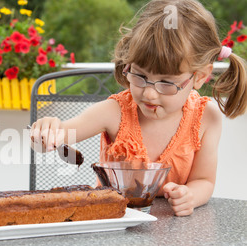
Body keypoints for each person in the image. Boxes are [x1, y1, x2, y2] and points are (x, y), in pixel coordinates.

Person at [29, 0, 247, 216]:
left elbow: (204, 181)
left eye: (166, 82)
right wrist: (47, 132)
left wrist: (189, 195)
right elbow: (60, 135)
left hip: (173, 237)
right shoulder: (114, 112)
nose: (150, 93)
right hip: (113, 226)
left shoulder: (206, 118)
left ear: (199, 76)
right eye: (140, 76)